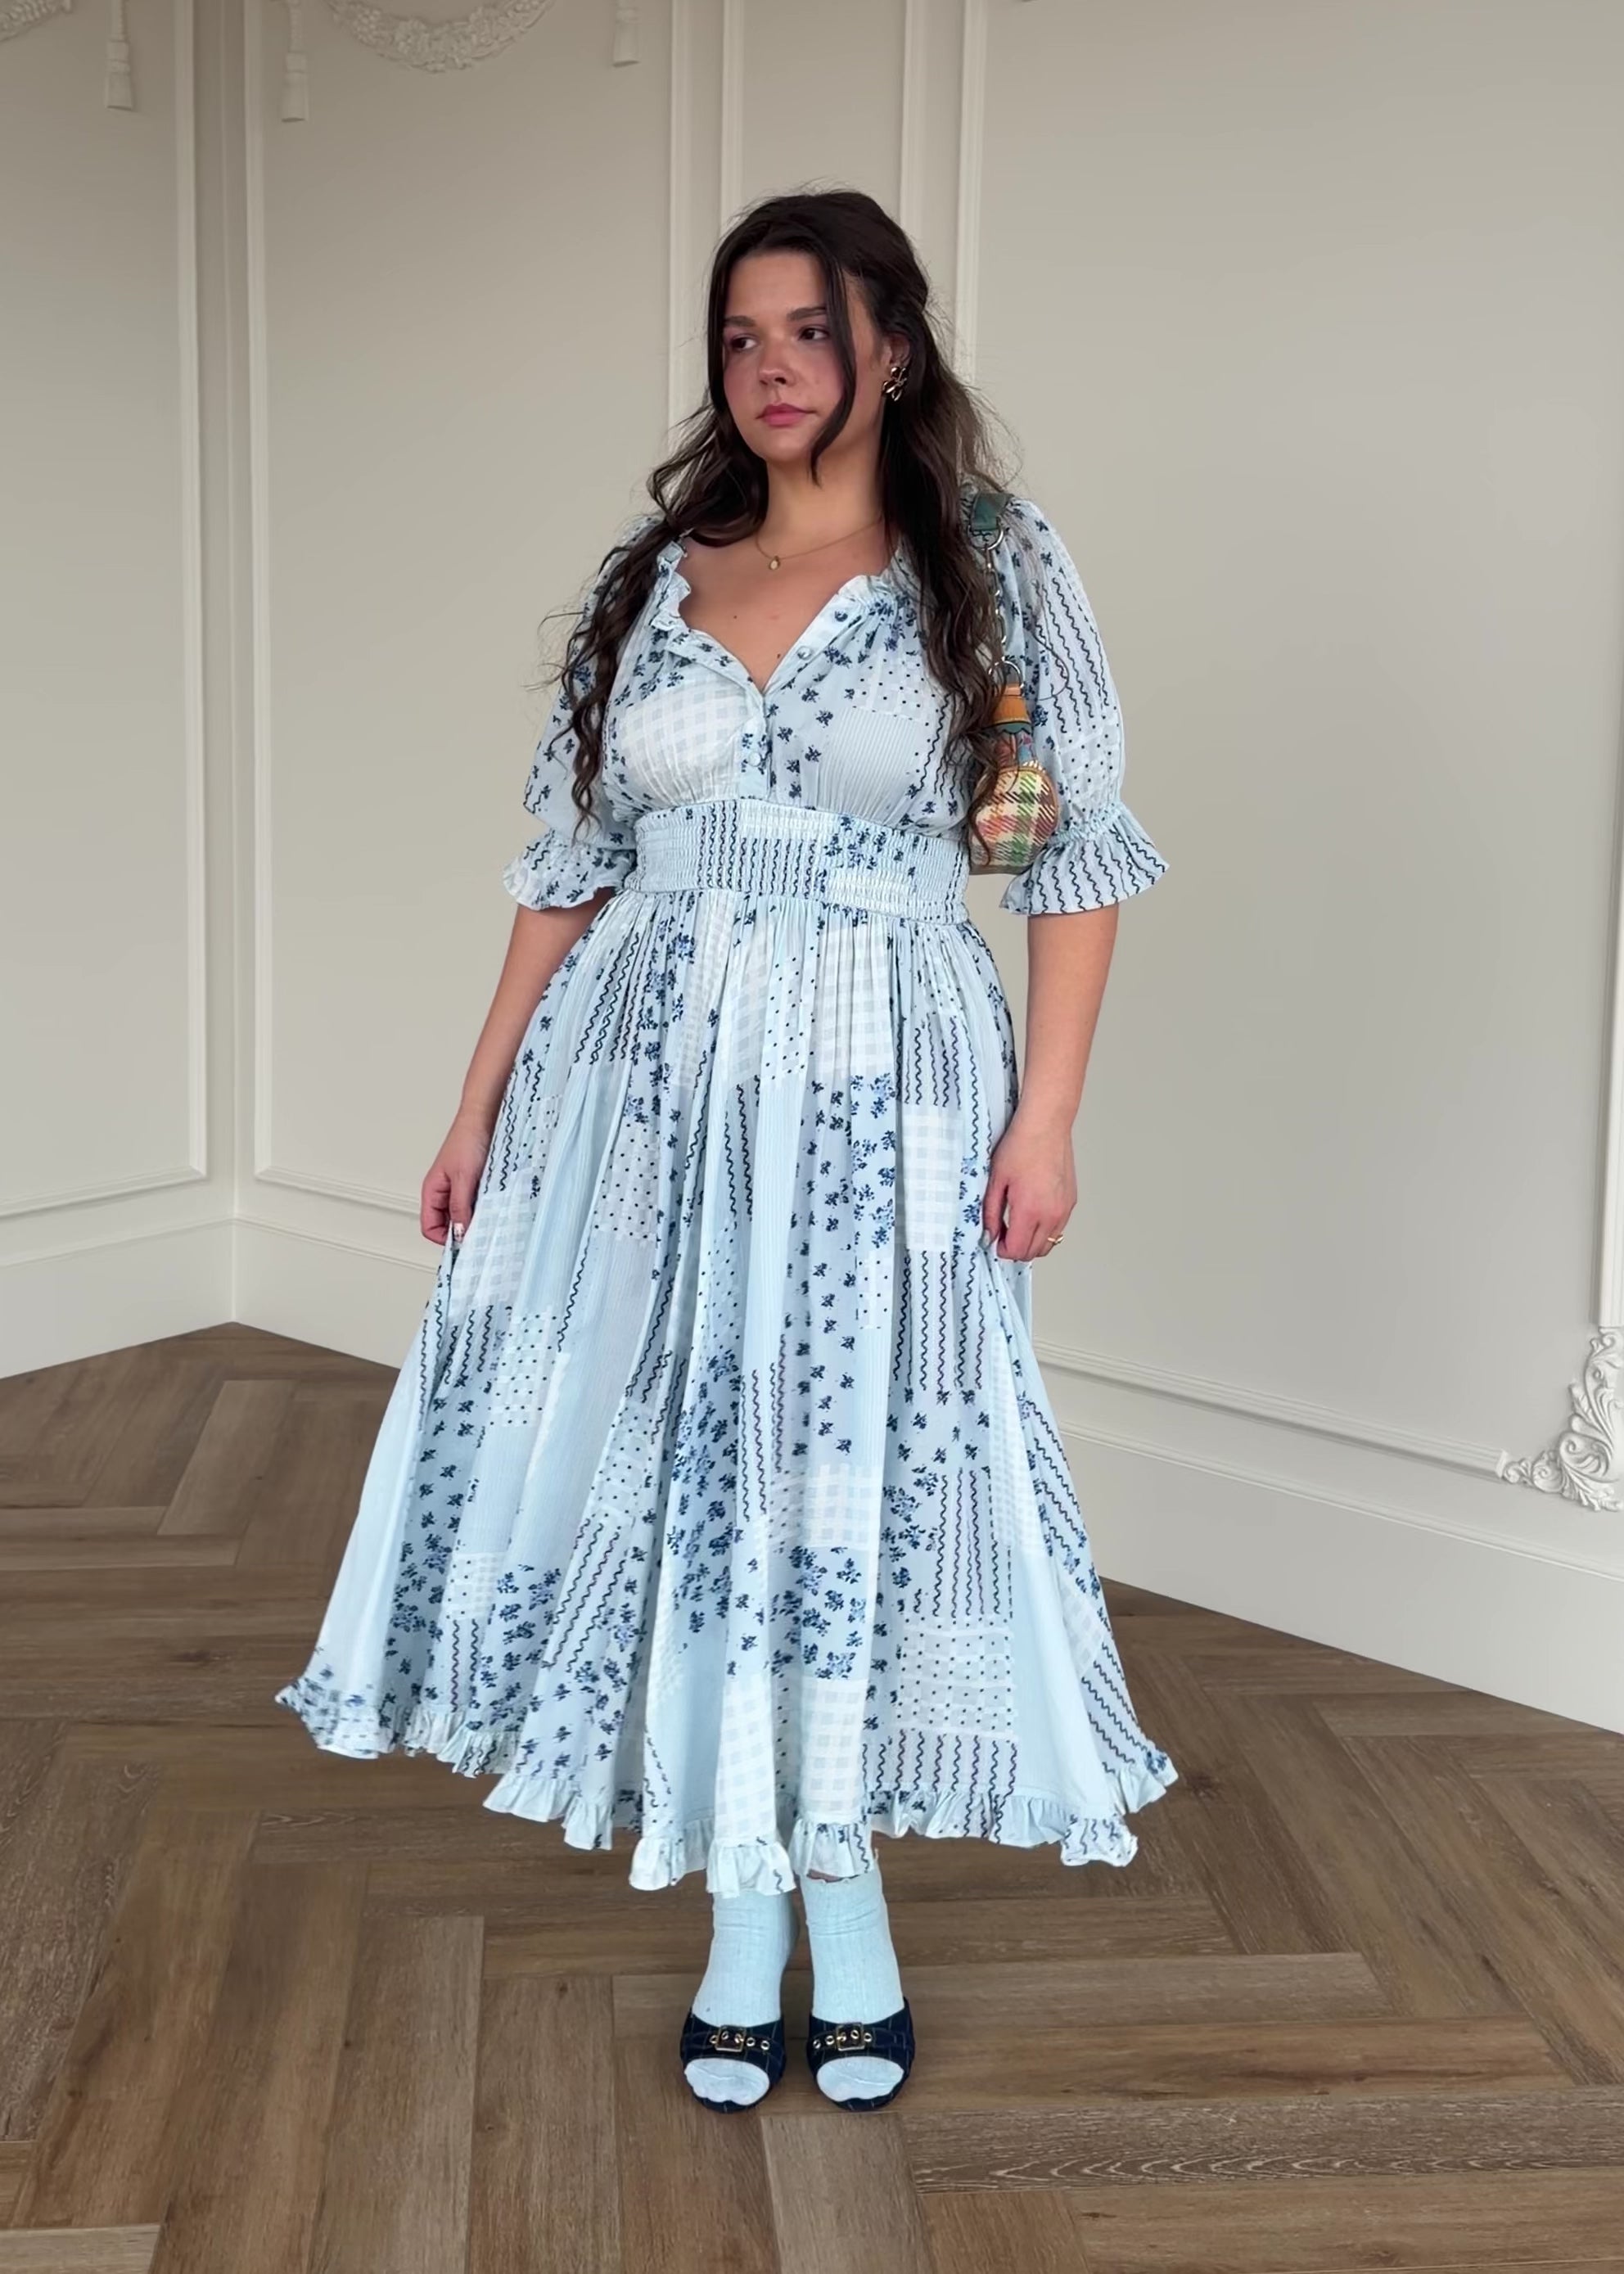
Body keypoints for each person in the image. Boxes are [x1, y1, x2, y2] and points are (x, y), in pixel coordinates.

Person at [274, 186, 1178, 2115]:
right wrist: (474, 1100)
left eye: (807, 331)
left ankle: (838, 1895)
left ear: (891, 349)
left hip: (879, 1076)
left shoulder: (989, 565)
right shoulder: (657, 571)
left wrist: (1046, 1119)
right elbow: (567, 869)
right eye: (739, 339)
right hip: (642, 1080)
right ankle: (742, 1917)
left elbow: (1066, 861)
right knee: (687, 1465)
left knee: (841, 1474)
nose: (769, 369)